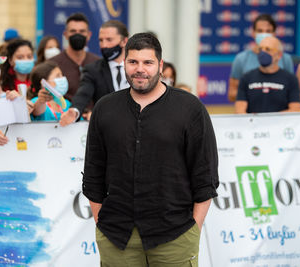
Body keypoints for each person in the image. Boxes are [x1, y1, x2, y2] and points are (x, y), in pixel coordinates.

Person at [82, 32, 219, 267]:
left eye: (148, 62)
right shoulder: (105, 108)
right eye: (133, 62)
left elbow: (205, 175)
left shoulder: (189, 108)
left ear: (160, 65)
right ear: (124, 63)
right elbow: (93, 173)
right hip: (117, 236)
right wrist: (100, 221)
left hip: (175, 235)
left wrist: (193, 230)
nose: (140, 69)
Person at [60, 20, 129, 125]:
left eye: (109, 40)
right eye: (101, 40)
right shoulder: (93, 70)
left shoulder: (137, 67)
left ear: (124, 41)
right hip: (108, 130)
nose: (104, 45)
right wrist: (74, 111)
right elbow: (83, 94)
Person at [228, 13, 294, 102]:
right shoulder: (241, 59)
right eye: (260, 31)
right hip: (250, 114)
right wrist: (255, 92)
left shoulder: (286, 59)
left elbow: (293, 92)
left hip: (279, 113)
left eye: (268, 31)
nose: (264, 34)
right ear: (253, 33)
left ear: (274, 33)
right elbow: (231, 94)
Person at [235, 36, 300, 113]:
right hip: (254, 124)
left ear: (279, 55)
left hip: (281, 124)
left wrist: (269, 120)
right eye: (260, 49)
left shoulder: (290, 79)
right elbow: (239, 112)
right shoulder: (246, 78)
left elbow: (295, 110)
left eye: (268, 49)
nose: (263, 52)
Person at [49, 13, 100, 101]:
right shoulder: (52, 64)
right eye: (73, 31)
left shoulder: (98, 63)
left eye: (82, 31)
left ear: (89, 35)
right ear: (65, 34)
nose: (77, 35)